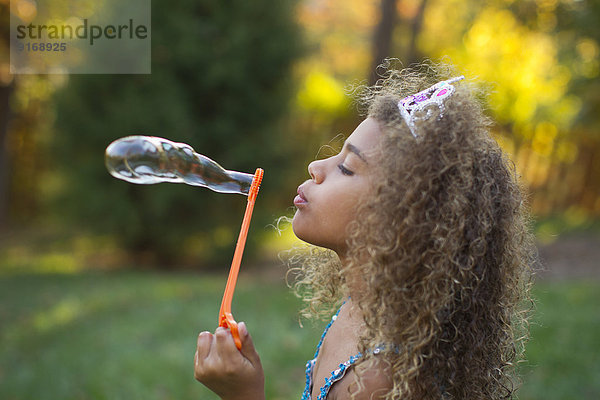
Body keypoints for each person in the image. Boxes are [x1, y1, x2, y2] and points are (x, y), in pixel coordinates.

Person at [193, 61, 536, 400]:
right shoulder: (362, 309)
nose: (316, 167)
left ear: (401, 219)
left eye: (346, 167)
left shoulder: (379, 379)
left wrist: (243, 395)